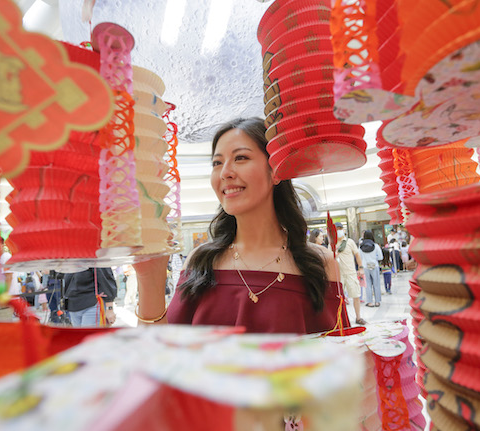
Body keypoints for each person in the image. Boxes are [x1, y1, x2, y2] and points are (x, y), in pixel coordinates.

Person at [133, 118, 348, 333]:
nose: (225, 172)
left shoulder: (319, 264)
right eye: (217, 163)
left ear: (275, 171)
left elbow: (342, 352)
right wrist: (149, 278)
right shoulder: (201, 261)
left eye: (241, 158)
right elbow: (159, 354)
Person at [334, 222, 366, 325]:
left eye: (340, 228)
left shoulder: (349, 242)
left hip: (351, 273)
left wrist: (361, 268)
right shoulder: (332, 243)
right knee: (340, 298)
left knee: (355, 295)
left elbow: (357, 255)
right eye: (336, 229)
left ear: (343, 229)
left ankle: (358, 317)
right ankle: (342, 319)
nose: (338, 231)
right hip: (338, 275)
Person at [359, 230, 383, 308]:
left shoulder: (361, 246)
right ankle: (377, 301)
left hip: (365, 267)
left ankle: (369, 302)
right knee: (376, 284)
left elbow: (359, 257)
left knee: (368, 285)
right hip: (374, 266)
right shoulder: (375, 246)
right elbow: (380, 257)